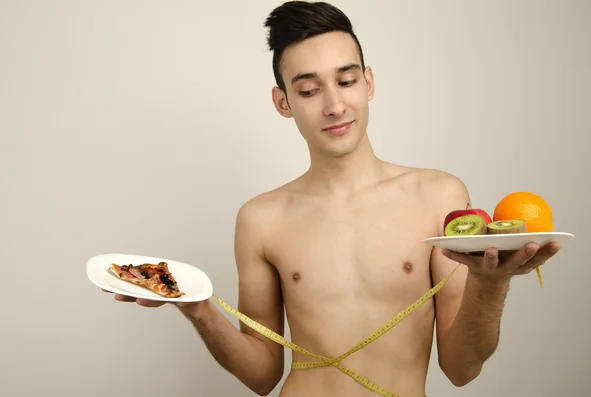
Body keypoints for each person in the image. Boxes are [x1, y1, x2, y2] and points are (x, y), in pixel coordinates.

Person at [103, 1, 562, 396]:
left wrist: (492, 284)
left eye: (345, 81)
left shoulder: (438, 197)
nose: (334, 105)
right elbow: (263, 375)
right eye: (308, 90)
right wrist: (198, 307)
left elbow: (462, 369)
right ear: (283, 102)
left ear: (368, 83)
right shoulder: (261, 219)